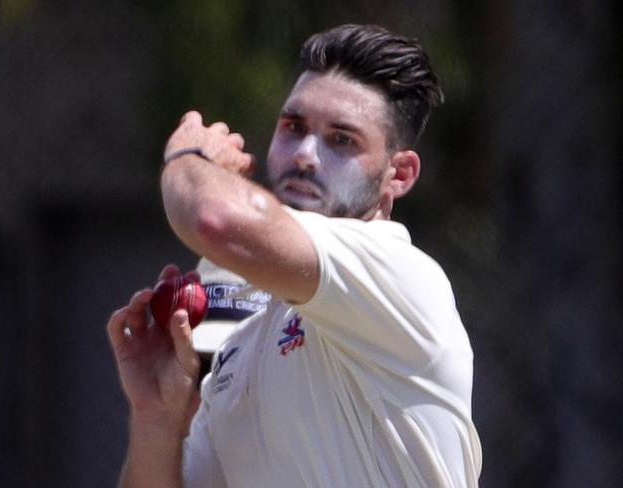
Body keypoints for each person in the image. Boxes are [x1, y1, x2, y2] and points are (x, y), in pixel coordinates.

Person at [107, 24, 482, 488]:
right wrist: (156, 420)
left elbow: (213, 219)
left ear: (399, 175)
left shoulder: (400, 274)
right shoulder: (241, 333)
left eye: (342, 140)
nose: (305, 155)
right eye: (293, 128)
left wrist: (187, 157)